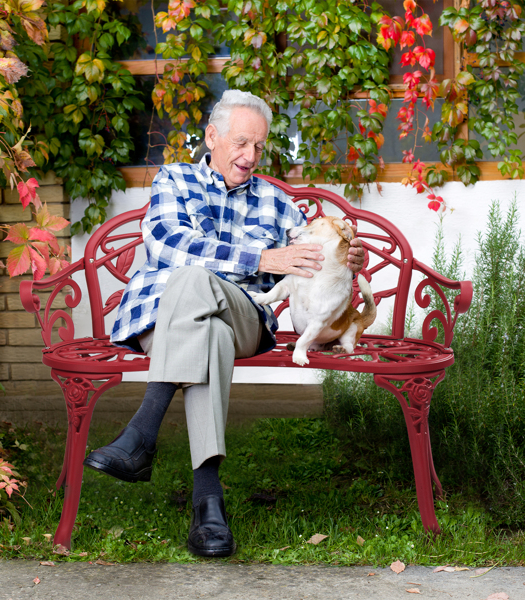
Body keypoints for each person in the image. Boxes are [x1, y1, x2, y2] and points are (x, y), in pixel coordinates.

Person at [83, 90, 365, 557]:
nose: (250, 156)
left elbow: (311, 265)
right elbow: (169, 245)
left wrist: (344, 259)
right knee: (202, 318)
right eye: (240, 143)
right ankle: (208, 504)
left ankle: (141, 436)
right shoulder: (174, 180)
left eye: (258, 146)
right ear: (211, 136)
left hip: (244, 318)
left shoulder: (277, 204)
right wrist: (260, 255)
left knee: (202, 292)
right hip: (163, 317)